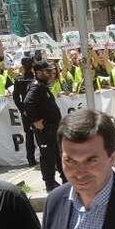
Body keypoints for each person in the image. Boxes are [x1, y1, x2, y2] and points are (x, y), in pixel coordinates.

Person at [23, 60, 66, 192]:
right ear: (38, 73)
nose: (50, 74)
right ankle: (50, 183)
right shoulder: (36, 86)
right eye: (47, 71)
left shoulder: (42, 86)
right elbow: (27, 103)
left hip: (53, 128)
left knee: (58, 155)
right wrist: (36, 121)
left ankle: (65, 178)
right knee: (47, 156)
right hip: (45, 129)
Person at [12, 57, 38, 166]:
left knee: (29, 134)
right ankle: (37, 157)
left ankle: (31, 159)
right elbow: (16, 97)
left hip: (26, 110)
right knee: (37, 133)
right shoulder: (36, 79)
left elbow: (16, 97)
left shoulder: (19, 79)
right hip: (36, 110)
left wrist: (22, 109)